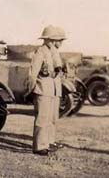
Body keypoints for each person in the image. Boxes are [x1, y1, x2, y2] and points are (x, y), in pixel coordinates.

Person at [26, 25, 66, 156]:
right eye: (56, 39)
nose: (58, 42)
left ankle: (49, 142)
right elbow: (33, 74)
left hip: (53, 90)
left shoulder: (53, 52)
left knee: (52, 118)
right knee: (42, 118)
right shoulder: (41, 52)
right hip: (43, 88)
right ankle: (39, 146)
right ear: (48, 39)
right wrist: (30, 90)